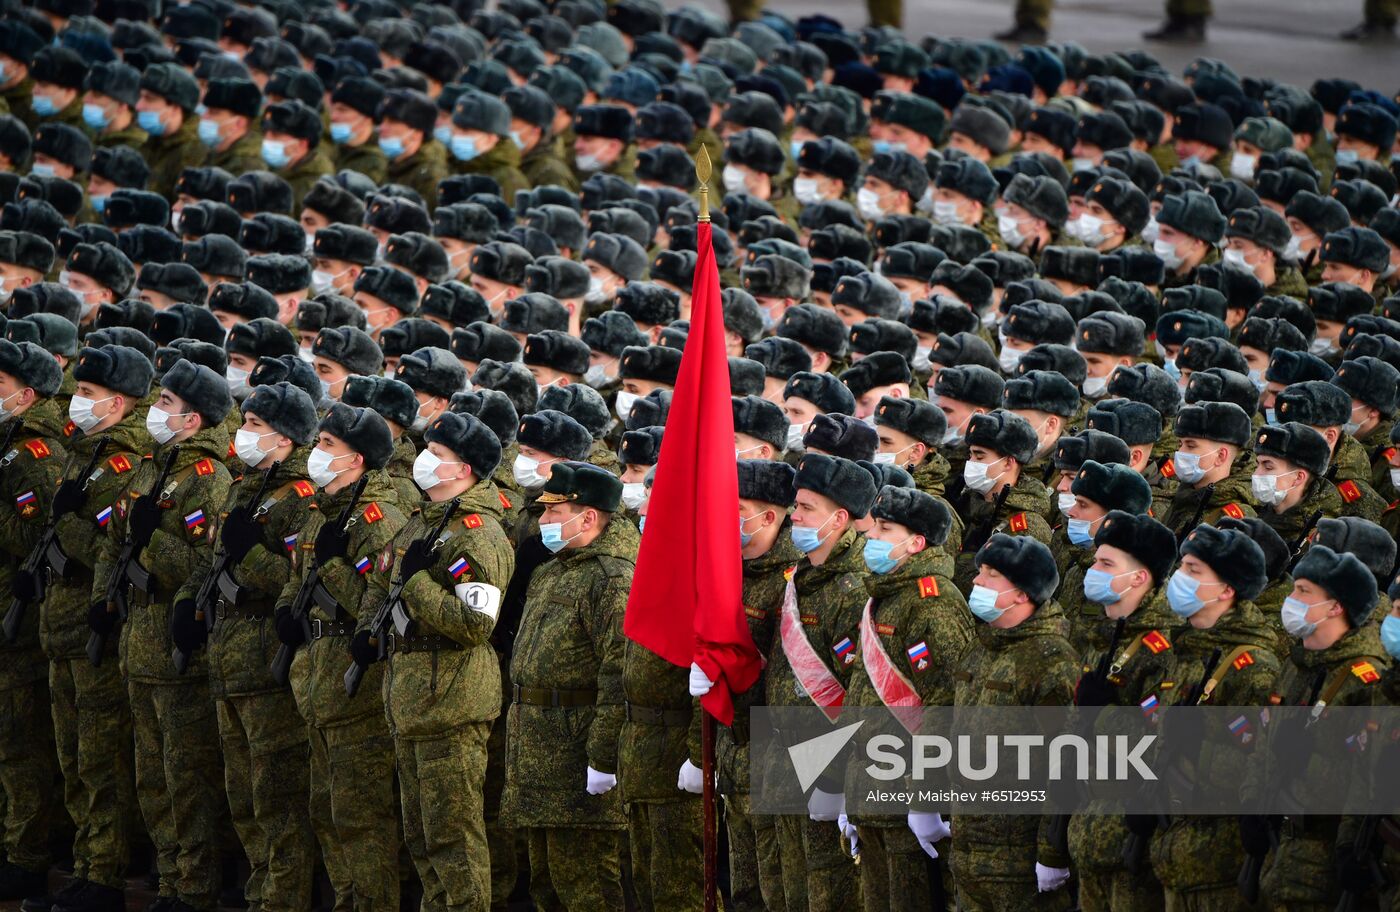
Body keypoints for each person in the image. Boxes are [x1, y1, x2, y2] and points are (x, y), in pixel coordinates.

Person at [358, 411, 514, 912]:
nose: (424, 460)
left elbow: (474, 626)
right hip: (412, 700)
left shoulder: (478, 535)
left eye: (437, 454)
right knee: (422, 836)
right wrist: (366, 628)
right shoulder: (422, 521)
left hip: (452, 703)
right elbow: (382, 579)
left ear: (463, 469)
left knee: (453, 837)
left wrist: (419, 583)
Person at [173, 380, 320, 912]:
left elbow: (299, 584)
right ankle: (261, 892)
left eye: (255, 425)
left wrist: (253, 554)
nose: (243, 433)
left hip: (264, 662)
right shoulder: (243, 487)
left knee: (276, 797)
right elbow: (214, 564)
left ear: (284, 437)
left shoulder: (302, 498)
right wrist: (186, 602)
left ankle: (284, 899)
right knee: (243, 798)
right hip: (227, 656)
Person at [93, 359, 233, 912]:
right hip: (138, 641)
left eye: (166, 404)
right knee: (151, 778)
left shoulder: (208, 479)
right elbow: (114, 542)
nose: (155, 410)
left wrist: (154, 541)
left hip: (177, 651)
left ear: (192, 420)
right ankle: (171, 878)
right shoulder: (151, 468)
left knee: (186, 778)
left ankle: (193, 888)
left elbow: (206, 567)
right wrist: (103, 598)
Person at [274, 403, 408, 912]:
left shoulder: (380, 521)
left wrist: (333, 567)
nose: (315, 452)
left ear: (357, 459)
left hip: (357, 691)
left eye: (327, 445)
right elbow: (296, 578)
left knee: (361, 816)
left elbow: (375, 609)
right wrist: (285, 610)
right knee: (325, 810)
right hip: (315, 680)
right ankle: (347, 900)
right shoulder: (322, 510)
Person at [500, 461, 634, 911]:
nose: (543, 521)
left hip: (576, 756)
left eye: (554, 512)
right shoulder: (553, 570)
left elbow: (618, 676)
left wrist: (602, 757)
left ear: (588, 517)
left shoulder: (612, 579)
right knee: (547, 886)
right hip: (538, 754)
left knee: (586, 886)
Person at [952, 533, 1078, 910]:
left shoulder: (1051, 660)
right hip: (969, 850)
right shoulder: (980, 647)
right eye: (981, 571)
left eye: (992, 575)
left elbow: (1066, 761)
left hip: (1019, 861)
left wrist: (1051, 851)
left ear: (1022, 594)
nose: (976, 580)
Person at [0, 341, 66, 900]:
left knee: (20, 743)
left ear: (26, 395)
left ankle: (25, 854)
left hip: (16, 618)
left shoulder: (35, 453)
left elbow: (39, 537)